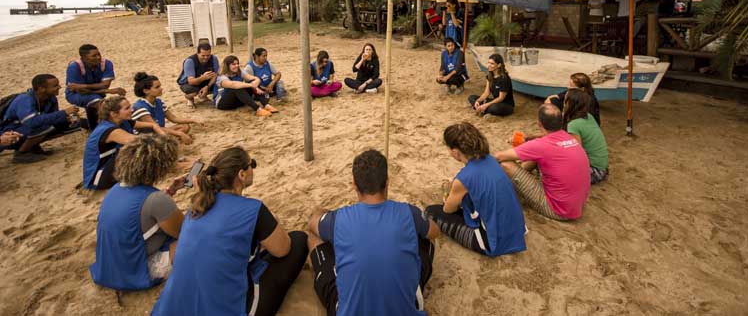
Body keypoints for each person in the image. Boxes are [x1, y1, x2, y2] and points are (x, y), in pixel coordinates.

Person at [152, 147, 308, 316]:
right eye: (252, 165)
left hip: (172, 308)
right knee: (298, 240)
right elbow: (282, 249)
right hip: (227, 308)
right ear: (241, 175)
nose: (253, 169)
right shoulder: (253, 209)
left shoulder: (196, 207)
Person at [306, 149, 438, 316]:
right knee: (426, 239)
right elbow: (434, 232)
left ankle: (318, 272)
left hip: (348, 310)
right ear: (387, 182)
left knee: (313, 237)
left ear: (353, 183)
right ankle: (417, 288)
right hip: (405, 308)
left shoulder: (339, 218)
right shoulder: (408, 212)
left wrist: (322, 213)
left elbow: (311, 224)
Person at [90, 135, 187, 290]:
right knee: (196, 242)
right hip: (137, 271)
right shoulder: (157, 200)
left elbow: (142, 211)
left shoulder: (115, 190)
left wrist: (171, 190)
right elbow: (184, 233)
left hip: (109, 268)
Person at [426, 123, 526, 257]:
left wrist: (449, 193)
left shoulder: (463, 179)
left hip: (494, 242)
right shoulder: (490, 160)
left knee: (432, 211)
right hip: (516, 230)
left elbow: (448, 209)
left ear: (455, 152)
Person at [494, 104, 590, 221]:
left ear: (539, 124)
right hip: (577, 205)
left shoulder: (541, 145)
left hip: (558, 210)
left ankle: (500, 189)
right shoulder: (569, 138)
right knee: (536, 159)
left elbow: (498, 157)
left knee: (506, 165)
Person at [83, 96, 167, 190]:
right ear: (114, 114)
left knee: (145, 140)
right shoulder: (110, 130)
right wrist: (166, 142)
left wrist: (163, 135)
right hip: (98, 177)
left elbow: (152, 125)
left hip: (111, 164)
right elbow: (142, 142)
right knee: (141, 149)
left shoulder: (123, 121)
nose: (131, 110)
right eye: (127, 108)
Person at [2, 74, 82, 163]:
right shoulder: (24, 99)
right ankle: (21, 153)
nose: (59, 87)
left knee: (65, 123)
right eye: (55, 86)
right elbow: (32, 122)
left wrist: (67, 118)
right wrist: (63, 113)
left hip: (24, 130)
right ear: (41, 89)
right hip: (8, 134)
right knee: (44, 127)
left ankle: (33, 147)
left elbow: (53, 118)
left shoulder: (51, 99)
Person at [65, 44, 124, 130]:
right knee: (100, 104)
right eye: (94, 56)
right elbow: (81, 92)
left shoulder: (106, 63)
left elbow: (105, 85)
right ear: (84, 58)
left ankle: (89, 126)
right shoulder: (74, 67)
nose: (98, 57)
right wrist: (108, 91)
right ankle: (111, 128)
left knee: (96, 102)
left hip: (95, 93)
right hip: (74, 95)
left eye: (99, 54)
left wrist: (83, 86)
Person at [132, 72, 198, 144]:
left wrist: (193, 120)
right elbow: (155, 128)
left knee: (184, 127)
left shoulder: (158, 102)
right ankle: (172, 142)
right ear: (146, 91)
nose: (161, 89)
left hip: (159, 132)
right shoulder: (140, 107)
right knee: (176, 133)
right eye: (157, 87)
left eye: (160, 86)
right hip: (147, 137)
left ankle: (172, 141)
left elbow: (174, 118)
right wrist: (180, 134)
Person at [563, 89, 609, 184]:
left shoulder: (573, 124)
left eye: (565, 100)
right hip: (602, 167)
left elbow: (575, 153)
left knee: (550, 163)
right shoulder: (588, 116)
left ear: (570, 104)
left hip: (594, 171)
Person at [468, 53, 515, 118]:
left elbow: (501, 98)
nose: (489, 65)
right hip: (495, 101)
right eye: (489, 63)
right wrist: (478, 101)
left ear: (499, 65)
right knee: (472, 98)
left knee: (494, 108)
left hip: (505, 105)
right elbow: (486, 93)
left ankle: (482, 109)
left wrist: (486, 105)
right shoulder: (490, 76)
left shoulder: (504, 78)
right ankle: (482, 109)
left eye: (492, 63)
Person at [177, 43, 220, 108]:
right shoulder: (190, 61)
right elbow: (191, 81)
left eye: (208, 55)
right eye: (203, 55)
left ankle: (203, 96)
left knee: (221, 83)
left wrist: (207, 87)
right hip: (188, 83)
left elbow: (216, 75)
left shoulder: (214, 58)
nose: (206, 58)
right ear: (197, 53)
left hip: (205, 82)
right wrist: (203, 77)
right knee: (193, 91)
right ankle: (189, 98)